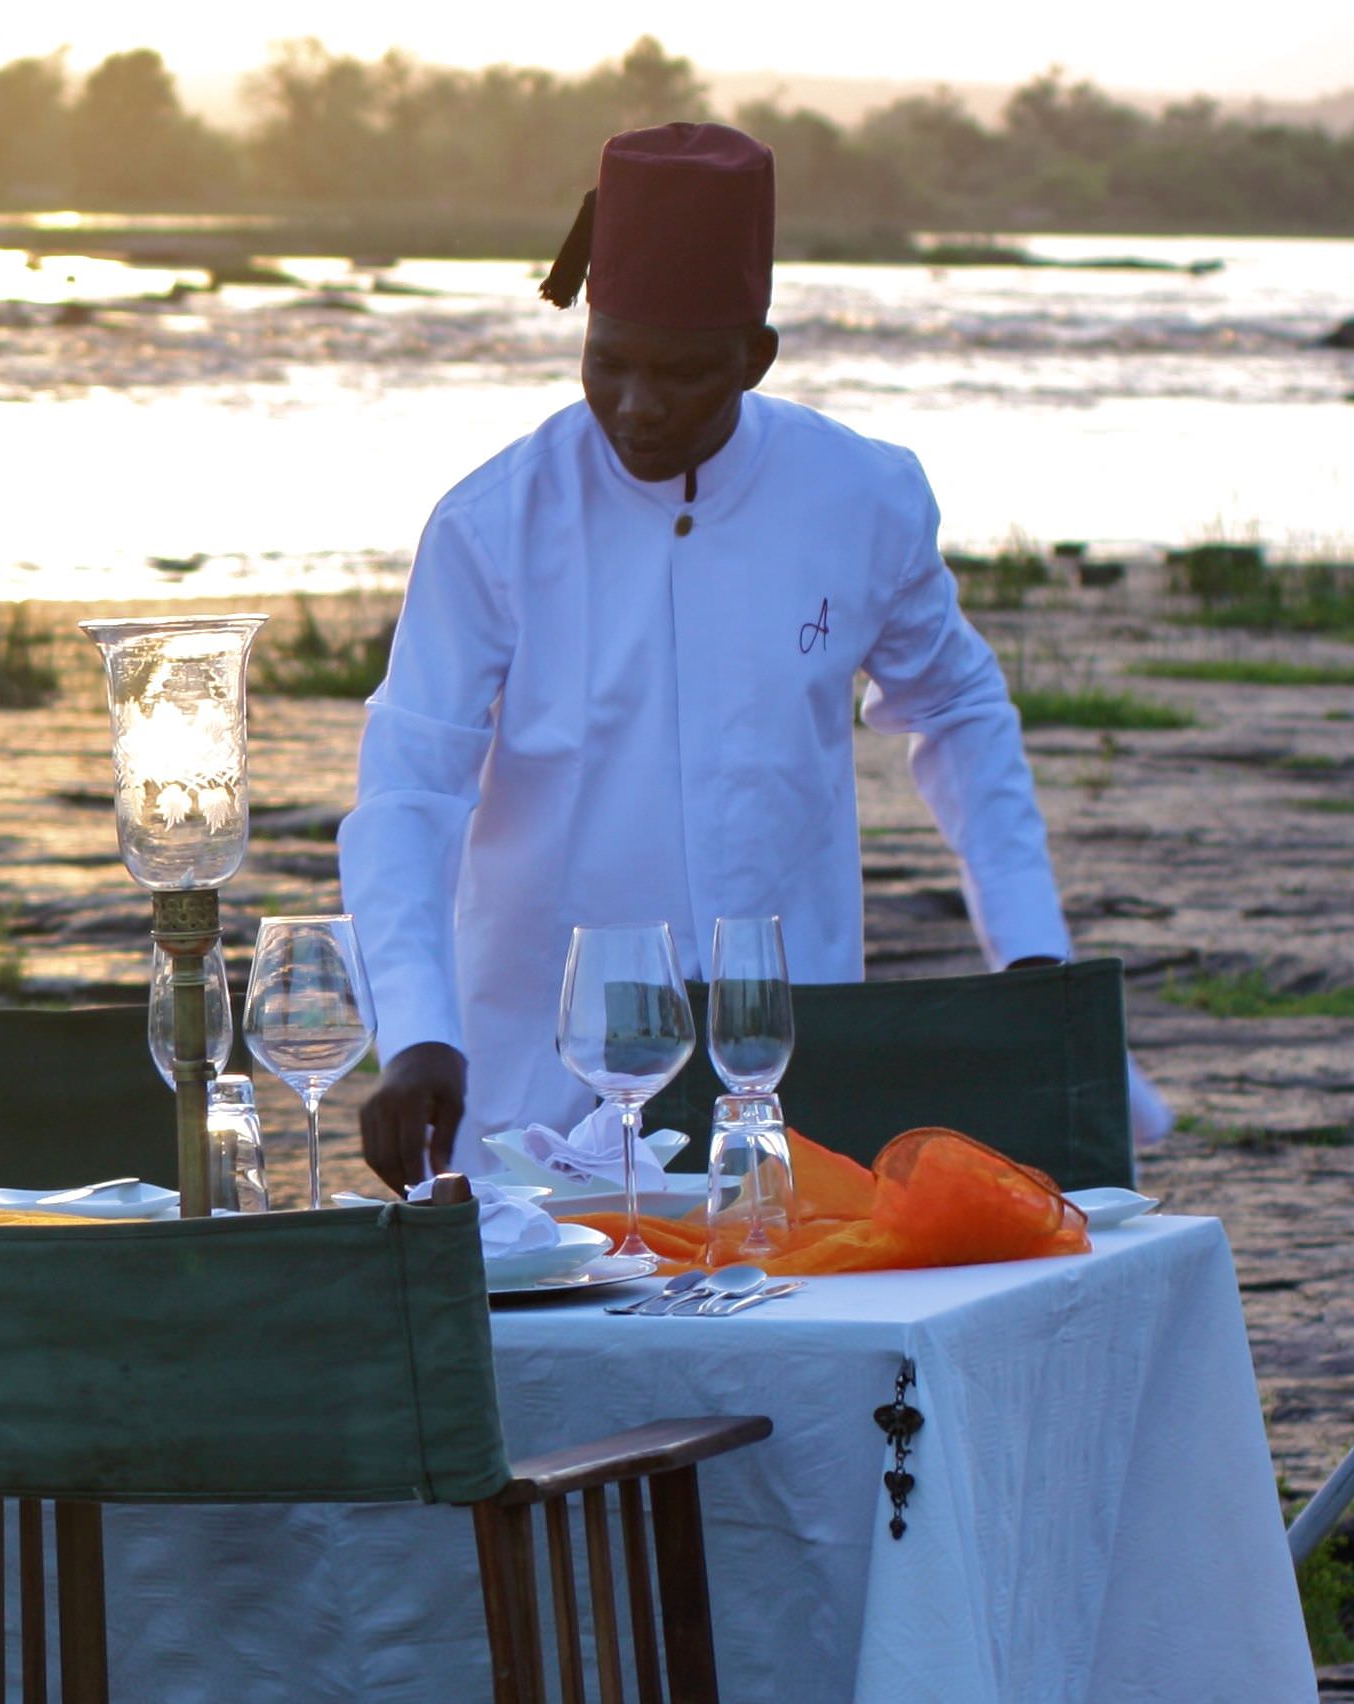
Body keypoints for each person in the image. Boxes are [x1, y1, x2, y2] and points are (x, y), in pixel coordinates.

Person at [343, 121, 1078, 1190]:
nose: (637, 408)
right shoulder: (492, 522)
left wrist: (1031, 951)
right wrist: (414, 1029)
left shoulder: (863, 497)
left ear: (755, 356)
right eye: (611, 365)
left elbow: (957, 708)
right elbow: (410, 785)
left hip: (778, 1059)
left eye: (681, 375)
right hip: (536, 1074)